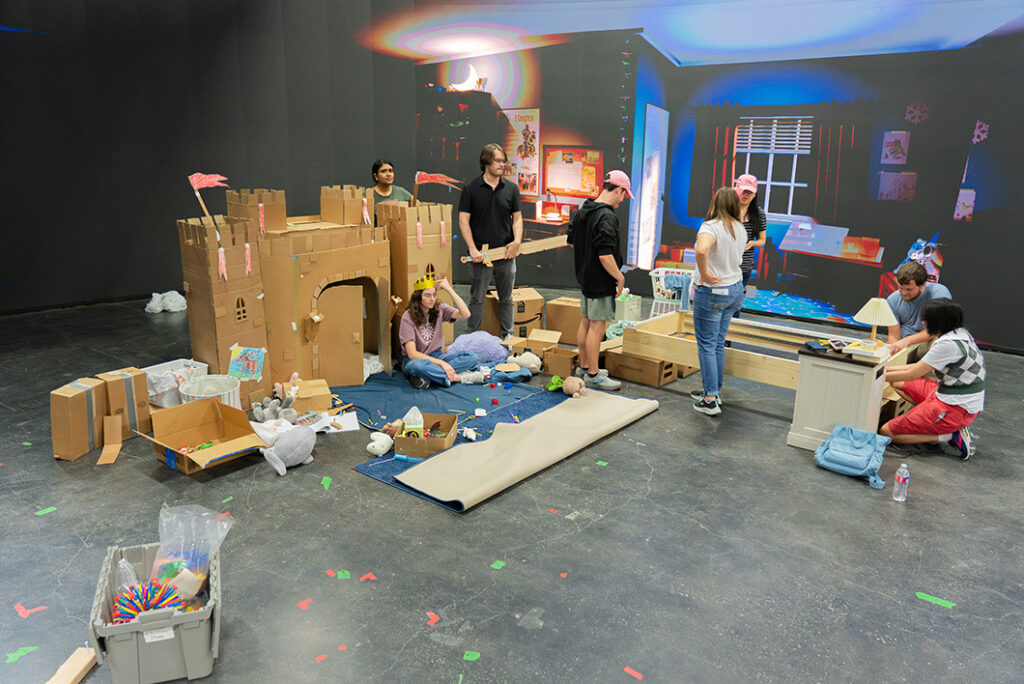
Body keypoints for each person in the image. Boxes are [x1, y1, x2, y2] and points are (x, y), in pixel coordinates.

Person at [879, 298, 983, 460]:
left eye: (925, 319)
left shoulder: (946, 345)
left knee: (886, 432)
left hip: (953, 408)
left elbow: (911, 373)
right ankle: (930, 422)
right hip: (951, 395)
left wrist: (875, 376)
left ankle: (948, 436)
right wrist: (883, 370)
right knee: (897, 383)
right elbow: (918, 367)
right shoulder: (960, 334)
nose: (923, 322)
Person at [566, 170, 633, 391]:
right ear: (618, 190)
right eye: (624, 195)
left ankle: (584, 367)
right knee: (598, 326)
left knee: (585, 321)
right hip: (600, 280)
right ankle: (594, 374)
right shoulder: (607, 216)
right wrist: (619, 276)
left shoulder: (583, 209)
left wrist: (586, 259)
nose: (623, 200)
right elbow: (605, 255)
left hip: (585, 277)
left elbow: (571, 241)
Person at [690, 187, 747, 416]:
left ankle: (710, 398)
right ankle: (713, 390)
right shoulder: (740, 228)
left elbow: (702, 251)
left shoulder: (710, 226)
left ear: (715, 202)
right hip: (734, 289)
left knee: (706, 344)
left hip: (713, 291)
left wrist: (703, 274)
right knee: (717, 343)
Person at [459, 143, 523, 338]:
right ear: (486, 161)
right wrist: (472, 248)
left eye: (504, 161)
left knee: (507, 298)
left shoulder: (511, 189)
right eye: (497, 160)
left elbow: (517, 218)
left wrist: (517, 241)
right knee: (477, 298)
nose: (502, 164)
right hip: (480, 254)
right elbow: (463, 221)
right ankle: (471, 337)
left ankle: (508, 338)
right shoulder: (471, 189)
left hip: (506, 253)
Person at [399, 275, 480, 389]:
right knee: (417, 367)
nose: (432, 299)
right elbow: (412, 354)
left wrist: (449, 289)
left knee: (472, 357)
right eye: (427, 295)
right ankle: (457, 377)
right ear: (418, 298)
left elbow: (465, 314)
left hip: (437, 356)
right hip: (416, 360)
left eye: (434, 295)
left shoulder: (439, 308)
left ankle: (431, 376)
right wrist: (443, 364)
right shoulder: (407, 317)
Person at [886, 261, 952, 359]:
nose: (903, 293)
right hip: (906, 347)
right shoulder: (892, 300)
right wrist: (892, 353)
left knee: (942, 343)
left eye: (909, 289)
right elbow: (893, 336)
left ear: (923, 285)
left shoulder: (938, 292)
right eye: (900, 288)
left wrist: (907, 340)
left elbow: (936, 330)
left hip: (929, 342)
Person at [734, 174, 767, 288]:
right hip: (725, 265)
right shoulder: (727, 209)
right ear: (736, 191)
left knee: (738, 300)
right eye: (743, 191)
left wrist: (752, 243)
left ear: (755, 194)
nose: (746, 195)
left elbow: (762, 240)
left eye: (750, 192)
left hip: (745, 266)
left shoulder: (759, 214)